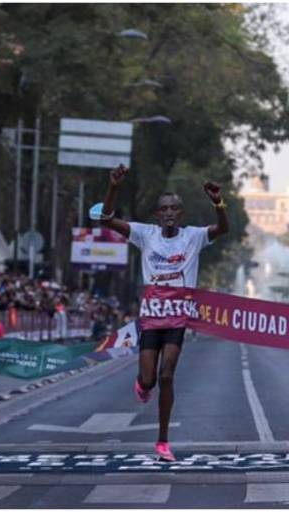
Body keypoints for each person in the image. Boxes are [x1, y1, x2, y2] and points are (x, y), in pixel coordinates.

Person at [100, 164, 228, 462]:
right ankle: (142, 384)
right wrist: (114, 187)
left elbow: (223, 229)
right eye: (164, 209)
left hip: (178, 317)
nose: (170, 213)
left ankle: (162, 441)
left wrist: (218, 203)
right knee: (149, 380)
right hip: (152, 317)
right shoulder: (145, 234)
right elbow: (106, 219)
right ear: (157, 215)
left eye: (175, 209)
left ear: (181, 214)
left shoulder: (193, 237)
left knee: (167, 375)